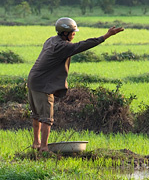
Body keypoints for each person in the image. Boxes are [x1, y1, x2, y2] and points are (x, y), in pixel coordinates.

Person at [27, 17, 124, 151]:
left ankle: (36, 143)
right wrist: (106, 36)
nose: (74, 34)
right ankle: (43, 147)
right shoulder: (63, 46)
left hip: (33, 79)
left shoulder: (51, 40)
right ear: (65, 33)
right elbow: (82, 45)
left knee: (36, 114)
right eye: (73, 32)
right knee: (46, 118)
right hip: (43, 84)